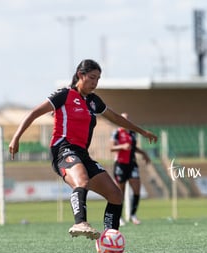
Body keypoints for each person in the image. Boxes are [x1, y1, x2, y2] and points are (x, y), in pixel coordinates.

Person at [9, 59, 158, 240]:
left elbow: (116, 118)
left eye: (98, 79)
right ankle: (80, 222)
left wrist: (142, 131)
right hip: (63, 150)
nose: (95, 83)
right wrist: (16, 138)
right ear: (81, 75)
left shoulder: (94, 102)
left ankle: (109, 240)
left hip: (82, 154)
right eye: (92, 78)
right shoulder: (64, 95)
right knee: (82, 180)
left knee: (115, 194)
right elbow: (34, 113)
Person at [110, 113, 151, 226]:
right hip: (120, 165)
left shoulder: (132, 133)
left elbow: (133, 147)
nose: (126, 120)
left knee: (137, 190)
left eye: (128, 119)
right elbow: (111, 148)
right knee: (120, 192)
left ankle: (133, 215)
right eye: (124, 119)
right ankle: (119, 217)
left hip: (132, 164)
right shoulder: (117, 133)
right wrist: (122, 147)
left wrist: (143, 153)